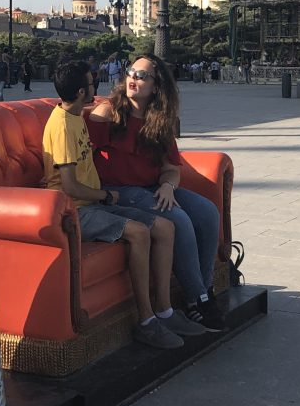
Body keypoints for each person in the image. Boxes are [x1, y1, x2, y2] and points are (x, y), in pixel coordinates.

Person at [43, 60, 204, 350]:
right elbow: (69, 187)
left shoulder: (79, 116)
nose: (100, 87)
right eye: (93, 84)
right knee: (143, 231)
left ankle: (165, 311)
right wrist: (107, 196)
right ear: (82, 92)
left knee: (165, 228)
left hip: (97, 200)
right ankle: (147, 321)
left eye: (141, 75)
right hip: (78, 207)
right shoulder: (63, 125)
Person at [87, 54, 225, 332]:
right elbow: (82, 156)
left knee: (208, 211)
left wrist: (167, 185)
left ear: (157, 86)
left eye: (141, 75)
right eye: (131, 72)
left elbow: (171, 167)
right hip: (118, 191)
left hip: (151, 187)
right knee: (179, 219)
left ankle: (205, 288)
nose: (133, 79)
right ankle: (197, 299)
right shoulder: (108, 112)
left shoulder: (159, 120)